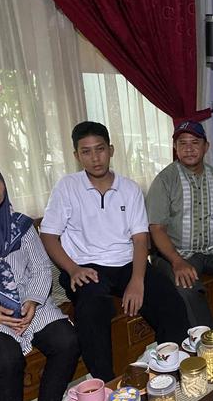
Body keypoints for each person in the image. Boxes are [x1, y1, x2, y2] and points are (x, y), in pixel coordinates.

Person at [41, 121, 190, 382]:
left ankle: (169, 372)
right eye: (86, 151)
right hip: (85, 267)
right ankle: (106, 383)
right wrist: (72, 269)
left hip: (126, 264)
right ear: (76, 156)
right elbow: (49, 235)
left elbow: (140, 239)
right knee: (92, 308)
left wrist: (137, 280)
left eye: (100, 149)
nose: (95, 157)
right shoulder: (67, 187)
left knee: (170, 300)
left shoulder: (129, 189)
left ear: (110, 150)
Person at [0, 158, 79, 401]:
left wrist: (33, 301)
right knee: (6, 357)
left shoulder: (20, 225)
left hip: (28, 303)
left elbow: (40, 267)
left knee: (67, 340)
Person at [145, 121, 213, 327]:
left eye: (195, 142)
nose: (189, 148)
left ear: (206, 146)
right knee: (185, 285)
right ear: (175, 148)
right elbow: (157, 229)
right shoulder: (165, 180)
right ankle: (208, 337)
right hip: (175, 252)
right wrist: (177, 261)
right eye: (182, 143)